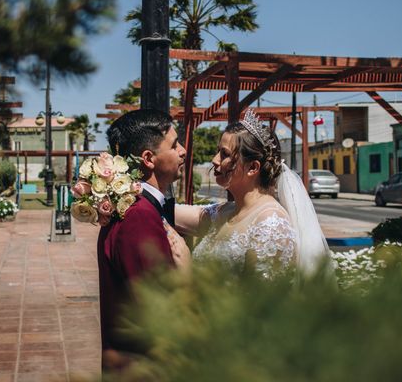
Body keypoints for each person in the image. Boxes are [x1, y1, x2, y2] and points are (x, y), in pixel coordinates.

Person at [167, 109, 331, 279]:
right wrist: (138, 189)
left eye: (225, 154)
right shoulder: (224, 212)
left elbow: (258, 303)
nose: (215, 160)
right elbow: (167, 210)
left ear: (253, 168)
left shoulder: (271, 224)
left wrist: (186, 272)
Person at [95, 109, 186, 372]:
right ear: (149, 158)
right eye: (174, 144)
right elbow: (161, 307)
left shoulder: (132, 207)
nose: (182, 151)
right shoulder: (139, 216)